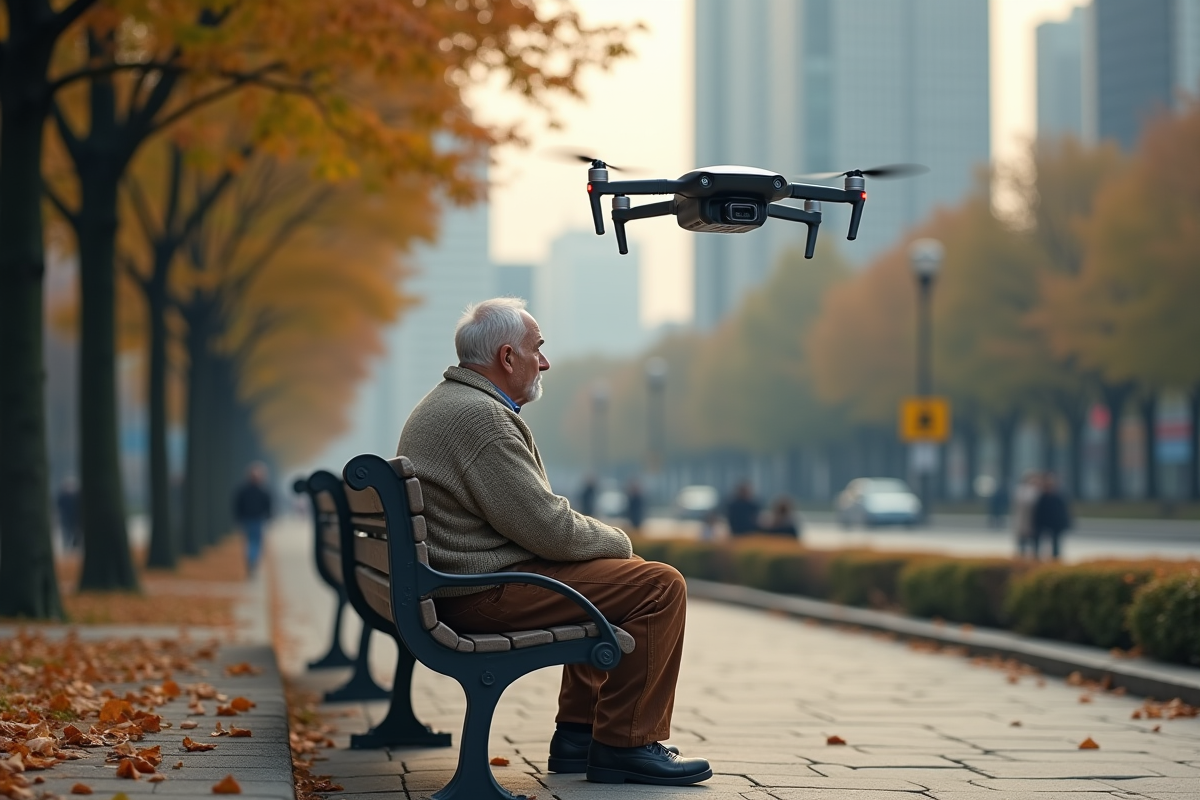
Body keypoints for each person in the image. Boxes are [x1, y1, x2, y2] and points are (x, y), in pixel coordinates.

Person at [397, 298, 711, 787]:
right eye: (536, 349)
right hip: (477, 595)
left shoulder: (452, 404)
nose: (543, 362)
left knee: (612, 582)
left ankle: (579, 738)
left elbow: (534, 525)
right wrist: (620, 542)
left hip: (453, 586)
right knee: (658, 584)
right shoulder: (481, 419)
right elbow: (551, 530)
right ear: (506, 357)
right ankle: (625, 743)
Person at [232, 462, 273, 577]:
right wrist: (269, 517)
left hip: (246, 520)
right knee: (256, 542)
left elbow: (237, 505)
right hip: (258, 520)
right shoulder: (263, 491)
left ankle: (250, 559)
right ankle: (253, 560)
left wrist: (238, 518)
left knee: (249, 542)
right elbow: (268, 506)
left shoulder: (242, 490)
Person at [1032, 472, 1071, 561]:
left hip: (1056, 525)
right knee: (1037, 544)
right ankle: (1037, 560)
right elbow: (1038, 513)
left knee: (1056, 545)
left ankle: (1055, 560)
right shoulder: (1042, 496)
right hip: (1043, 524)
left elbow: (1064, 512)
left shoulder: (1059, 496)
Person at [1012, 471, 1040, 559]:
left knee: (1035, 545)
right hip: (1023, 521)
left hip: (1035, 522)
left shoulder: (1038, 491)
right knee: (1022, 544)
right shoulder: (1022, 491)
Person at [55, 477, 81, 552]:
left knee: (71, 533)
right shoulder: (66, 496)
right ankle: (68, 547)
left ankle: (70, 547)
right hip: (68, 519)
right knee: (68, 533)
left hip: (70, 519)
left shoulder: (66, 496)